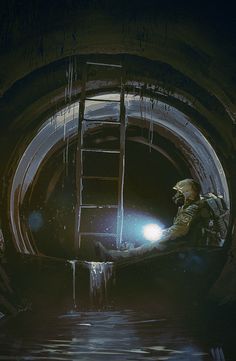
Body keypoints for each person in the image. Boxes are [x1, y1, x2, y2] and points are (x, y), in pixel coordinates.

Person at [97, 178, 222, 262]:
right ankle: (121, 253)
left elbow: (179, 231)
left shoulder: (191, 209)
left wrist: (161, 235)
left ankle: (112, 256)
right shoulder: (191, 206)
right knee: (148, 245)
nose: (176, 196)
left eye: (180, 193)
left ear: (188, 193)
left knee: (149, 247)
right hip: (184, 241)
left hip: (184, 244)